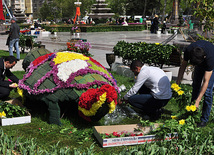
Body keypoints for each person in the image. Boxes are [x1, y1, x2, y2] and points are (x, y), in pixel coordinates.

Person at [176, 40, 214, 127]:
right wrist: (178, 81)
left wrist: (198, 100)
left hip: (211, 66)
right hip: (200, 61)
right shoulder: (189, 50)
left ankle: (204, 119)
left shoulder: (210, 58)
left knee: (208, 92)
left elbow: (206, 81)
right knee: (195, 86)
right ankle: (191, 113)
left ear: (203, 57)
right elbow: (183, 66)